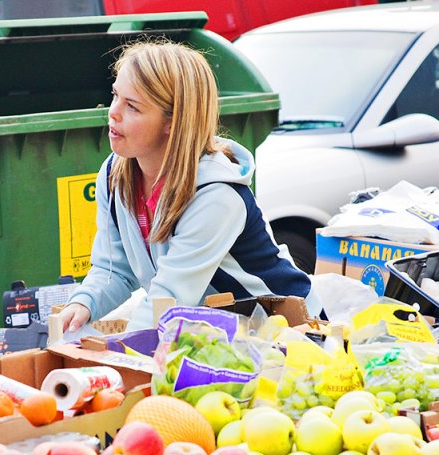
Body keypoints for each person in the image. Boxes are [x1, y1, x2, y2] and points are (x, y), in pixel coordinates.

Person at [60, 40, 318, 332]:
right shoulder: (114, 174)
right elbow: (114, 269)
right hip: (216, 331)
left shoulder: (217, 195)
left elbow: (169, 298)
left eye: (132, 106)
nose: (113, 112)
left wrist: (116, 354)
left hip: (287, 328)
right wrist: (83, 303)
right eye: (115, 95)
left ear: (173, 121)